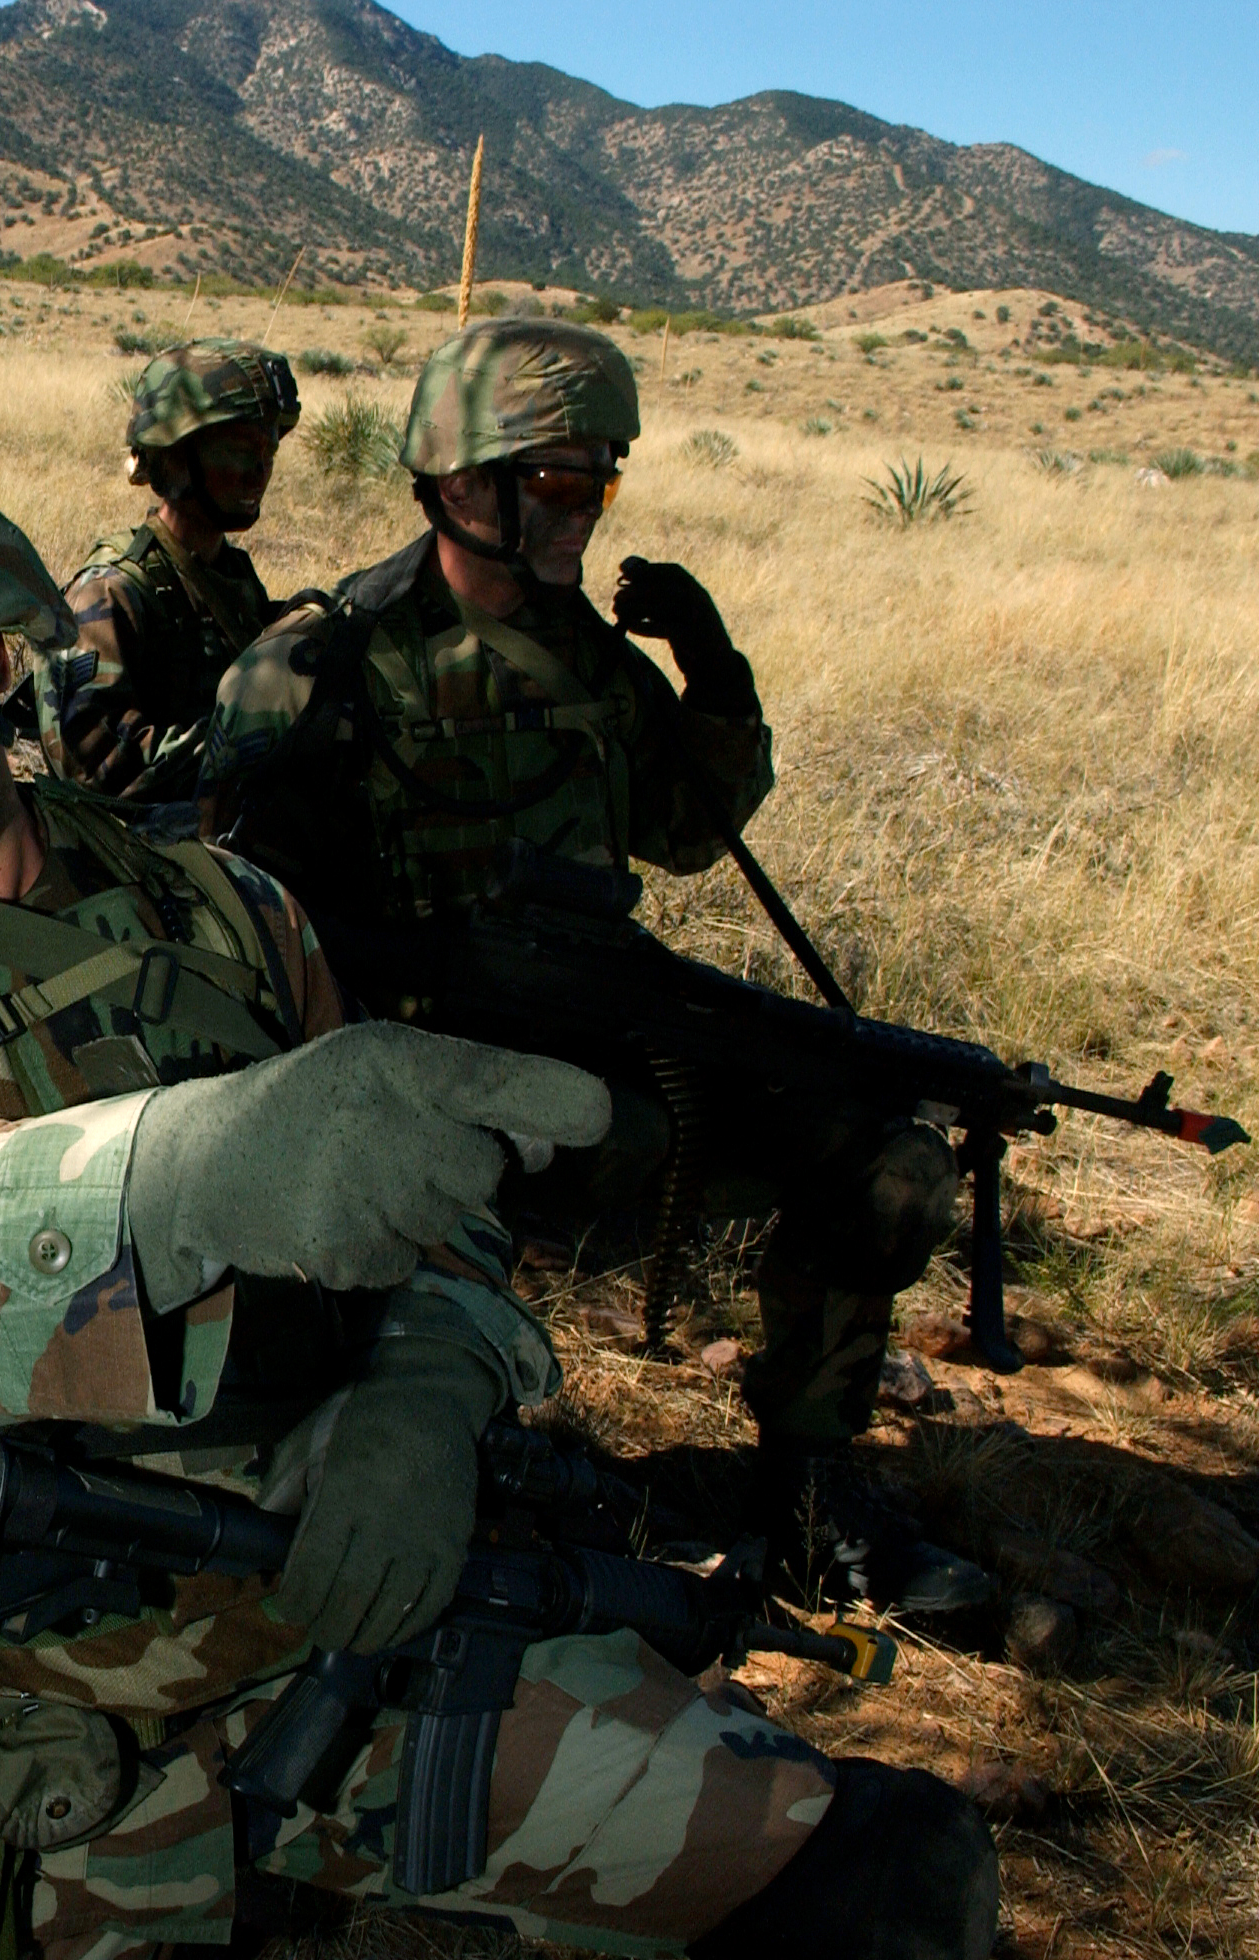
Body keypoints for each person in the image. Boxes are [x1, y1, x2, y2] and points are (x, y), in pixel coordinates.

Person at [0, 411, 999, 1960]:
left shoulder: (226, 913)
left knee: (877, 1877)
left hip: (331, 1646)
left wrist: (427, 1387)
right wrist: (162, 1184)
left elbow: (433, 1202)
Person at [199, 318, 988, 1612]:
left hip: (603, 1049)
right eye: (561, 482)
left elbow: (686, 834)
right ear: (463, 483)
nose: (586, 513)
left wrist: (713, 674)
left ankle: (809, 1496)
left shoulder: (590, 662)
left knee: (881, 1149)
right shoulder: (320, 667)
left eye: (600, 485)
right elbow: (235, 930)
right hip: (402, 1089)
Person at [37, 337, 298, 804]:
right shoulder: (109, 593)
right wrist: (246, 741)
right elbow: (96, 769)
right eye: (239, 450)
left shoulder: (229, 574)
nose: (259, 470)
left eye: (269, 451)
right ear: (176, 458)